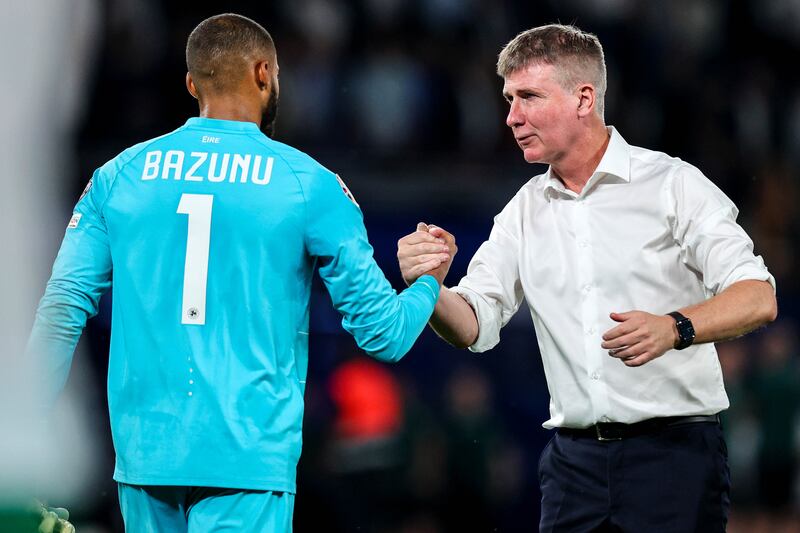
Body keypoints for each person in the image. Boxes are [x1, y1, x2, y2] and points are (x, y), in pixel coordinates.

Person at [26, 13, 451, 532]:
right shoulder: (307, 184)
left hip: (145, 458)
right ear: (265, 73)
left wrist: (19, 456)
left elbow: (61, 312)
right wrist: (429, 279)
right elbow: (385, 334)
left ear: (191, 83)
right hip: (248, 460)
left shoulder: (118, 176)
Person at [397, 24, 777, 532]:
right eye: (509, 99)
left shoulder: (672, 185)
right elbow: (474, 325)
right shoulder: (522, 212)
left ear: (584, 98)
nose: (512, 117)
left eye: (529, 96)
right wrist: (431, 287)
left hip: (674, 460)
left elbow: (758, 295)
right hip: (571, 468)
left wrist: (674, 328)